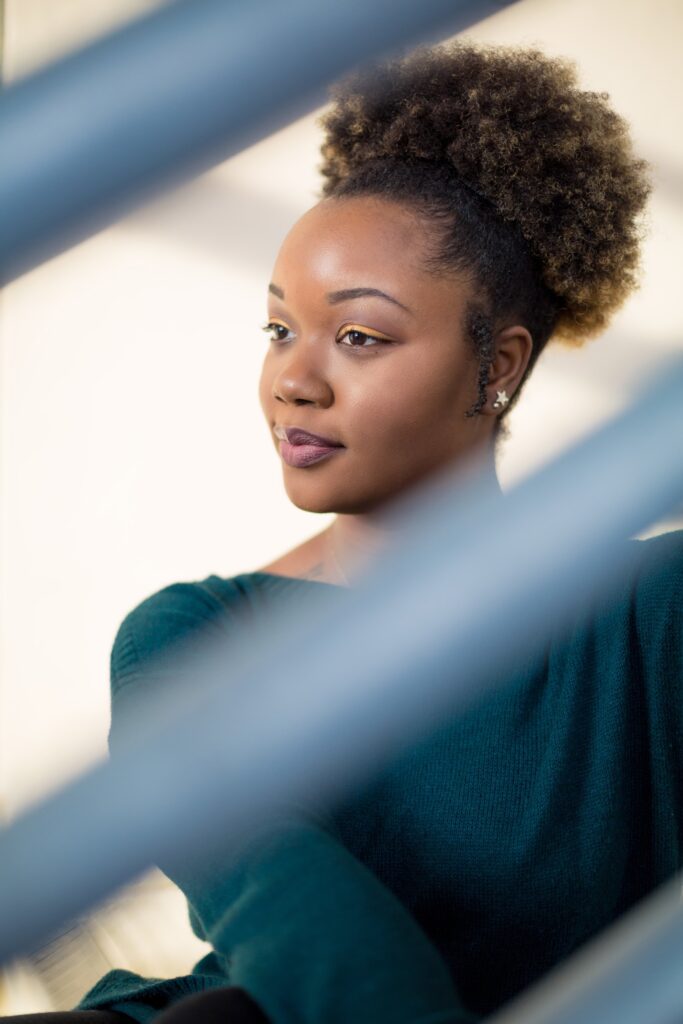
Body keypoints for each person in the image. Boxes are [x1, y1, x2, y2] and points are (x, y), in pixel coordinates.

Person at [6, 38, 680, 1024]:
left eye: (358, 335)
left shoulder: (645, 613)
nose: (293, 379)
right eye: (279, 328)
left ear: (494, 365)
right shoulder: (189, 638)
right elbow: (311, 938)